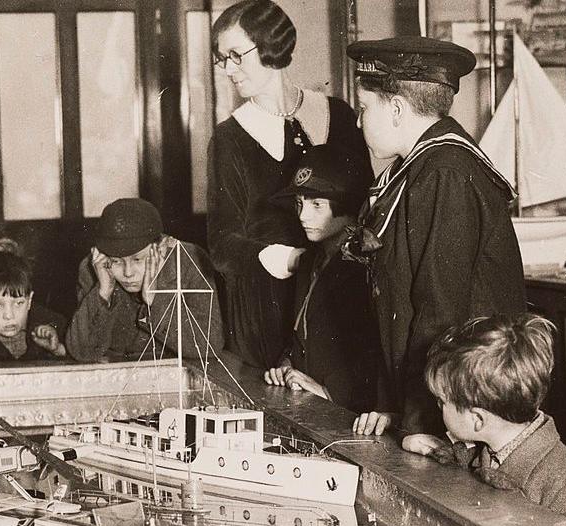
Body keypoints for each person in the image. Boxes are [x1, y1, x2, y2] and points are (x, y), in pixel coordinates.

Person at [345, 36, 526, 437]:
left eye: (363, 108)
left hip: (465, 413)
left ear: (395, 109)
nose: (359, 121)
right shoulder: (417, 170)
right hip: (439, 406)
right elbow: (397, 306)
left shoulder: (445, 172)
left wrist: (421, 423)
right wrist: (390, 407)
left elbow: (440, 312)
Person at [207, 0, 372, 369]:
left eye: (236, 55)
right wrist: (293, 259)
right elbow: (221, 244)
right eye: (221, 59)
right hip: (269, 307)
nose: (227, 69)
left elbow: (364, 206)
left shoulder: (338, 115)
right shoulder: (229, 138)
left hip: (338, 298)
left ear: (271, 45)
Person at [403, 314, 566, 526]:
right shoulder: (489, 445)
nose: (438, 407)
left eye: (442, 402)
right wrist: (435, 449)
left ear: (477, 419)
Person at [262, 145, 382, 414]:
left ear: (348, 205)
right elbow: (300, 334)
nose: (303, 216)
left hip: (349, 411)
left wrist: (329, 391)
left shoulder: (365, 267)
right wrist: (287, 366)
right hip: (308, 401)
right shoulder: (311, 260)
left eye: (317, 204)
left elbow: (372, 354)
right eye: (299, 204)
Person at [67, 198, 224, 363]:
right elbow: (82, 353)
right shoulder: (94, 267)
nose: (128, 273)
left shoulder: (189, 261)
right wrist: (103, 292)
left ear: (161, 248)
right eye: (116, 261)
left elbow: (209, 345)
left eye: (138, 260)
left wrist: (155, 298)